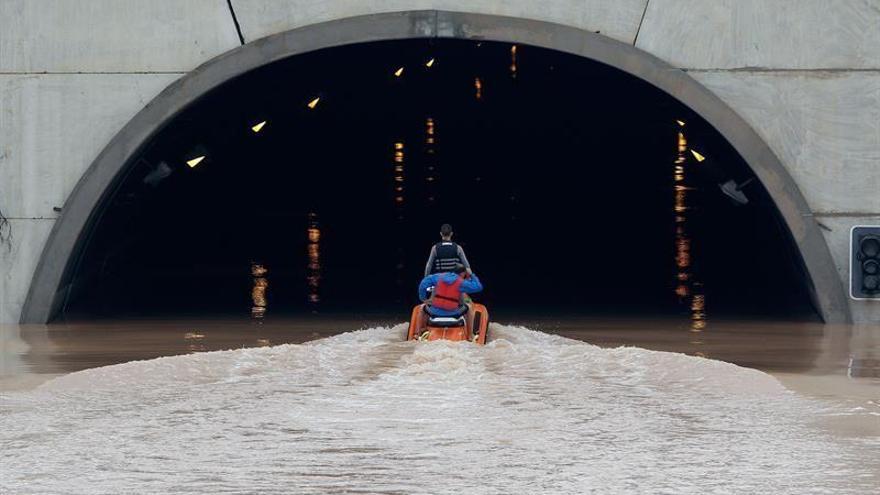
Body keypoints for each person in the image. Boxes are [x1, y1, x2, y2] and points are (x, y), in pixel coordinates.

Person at [418, 263, 483, 316]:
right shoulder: (461, 282)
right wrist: (472, 275)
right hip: (452, 312)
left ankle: (419, 330)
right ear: (462, 273)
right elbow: (478, 287)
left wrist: (423, 298)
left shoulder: (438, 277)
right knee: (469, 308)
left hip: (435, 311)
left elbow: (423, 284)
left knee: (422, 308)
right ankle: (469, 332)